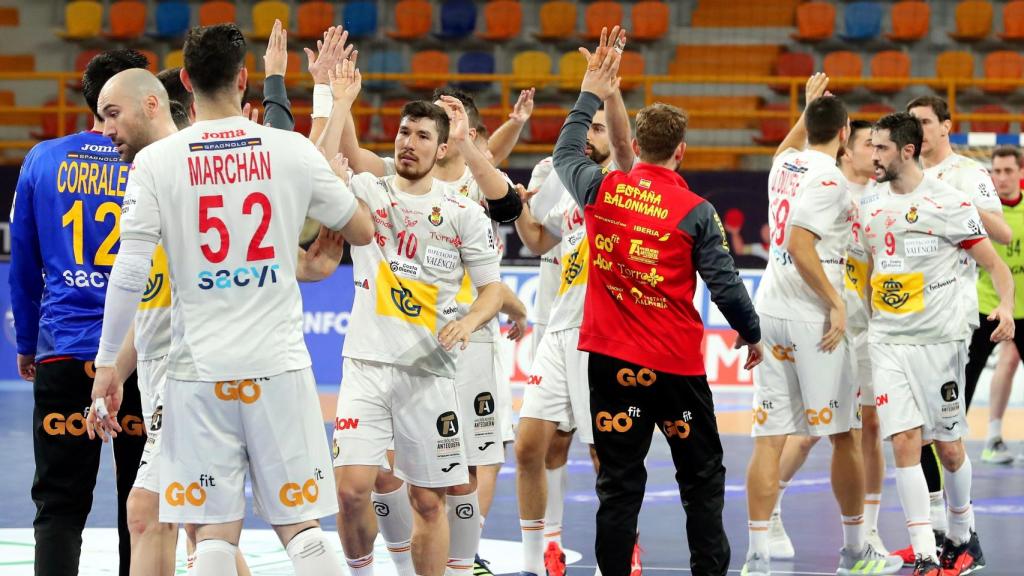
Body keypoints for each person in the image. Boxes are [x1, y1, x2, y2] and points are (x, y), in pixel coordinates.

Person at [85, 23, 374, 576]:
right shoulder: (287, 150)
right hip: (279, 367)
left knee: (212, 534)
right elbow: (359, 230)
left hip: (197, 374)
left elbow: (129, 272)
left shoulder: (158, 163)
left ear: (186, 81)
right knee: (302, 530)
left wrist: (105, 364)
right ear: (245, 79)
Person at [553, 27, 763, 576]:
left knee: (619, 487)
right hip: (676, 367)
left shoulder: (601, 190)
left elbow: (563, 152)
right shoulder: (696, 210)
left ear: (636, 147)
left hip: (612, 364)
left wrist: (590, 92)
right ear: (681, 150)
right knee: (701, 482)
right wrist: (751, 331)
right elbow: (725, 282)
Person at [319, 56, 505, 576]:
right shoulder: (367, 190)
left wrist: (469, 322)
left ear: (442, 148)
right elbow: (323, 158)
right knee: (351, 490)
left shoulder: (463, 212)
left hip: (430, 372)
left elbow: (493, 289)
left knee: (429, 501)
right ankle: (361, 571)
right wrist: (336, 101)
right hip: (366, 365)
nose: (409, 143)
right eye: (404, 132)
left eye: (423, 136)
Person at [742, 72, 901, 576]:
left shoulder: (783, 164)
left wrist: (808, 105)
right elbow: (799, 243)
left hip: (769, 309)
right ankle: (855, 551)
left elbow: (788, 147)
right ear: (846, 131)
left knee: (769, 438)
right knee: (844, 435)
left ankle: (756, 557)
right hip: (815, 318)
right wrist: (835, 302)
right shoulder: (832, 178)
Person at [9, 47, 151, 576]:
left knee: (60, 506)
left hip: (64, 352)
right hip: (140, 355)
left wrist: (27, 343)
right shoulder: (154, 159)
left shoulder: (42, 160)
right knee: (143, 507)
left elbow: (22, 265)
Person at [861, 112, 1014, 576]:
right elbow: (874, 265)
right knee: (904, 441)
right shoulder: (869, 204)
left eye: (881, 148)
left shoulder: (950, 203)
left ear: (907, 151)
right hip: (887, 341)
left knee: (948, 447)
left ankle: (964, 537)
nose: (873, 155)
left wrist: (1005, 307)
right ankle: (926, 552)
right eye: (871, 146)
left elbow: (996, 265)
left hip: (941, 343)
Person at [902, 94, 1011, 566]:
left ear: (947, 126)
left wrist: (959, 204)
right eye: (912, 124)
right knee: (913, 431)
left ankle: (966, 536)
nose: (919, 130)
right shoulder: (903, 176)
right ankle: (935, 534)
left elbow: (1002, 234)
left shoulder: (968, 174)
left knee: (945, 433)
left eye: (926, 122)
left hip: (952, 319)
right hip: (907, 319)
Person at [514, 105, 616, 576]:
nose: (588, 136)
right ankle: (543, 554)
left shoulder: (624, 186)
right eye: (584, 127)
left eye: (600, 128)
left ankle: (620, 549)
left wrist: (603, 92)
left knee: (605, 451)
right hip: (556, 324)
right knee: (535, 444)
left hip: (602, 332)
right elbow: (538, 239)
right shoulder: (565, 183)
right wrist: (517, 209)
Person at [963, 145, 1024, 464]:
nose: (1001, 178)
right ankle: (952, 445)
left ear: (1021, 173)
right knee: (965, 379)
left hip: (1023, 310)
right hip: (988, 307)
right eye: (996, 171)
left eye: (1008, 171)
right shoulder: (983, 214)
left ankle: (995, 438)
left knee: (1008, 364)